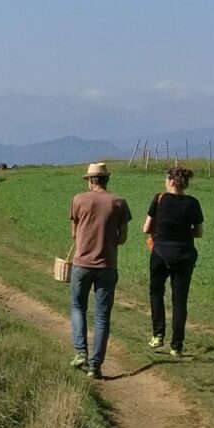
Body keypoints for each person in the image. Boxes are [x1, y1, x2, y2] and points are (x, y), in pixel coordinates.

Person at [66, 161, 131, 379]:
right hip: (107, 265)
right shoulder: (119, 203)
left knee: (78, 307)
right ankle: (96, 366)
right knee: (102, 317)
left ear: (90, 181)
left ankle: (81, 352)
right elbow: (122, 238)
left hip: (82, 264)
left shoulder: (78, 200)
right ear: (106, 180)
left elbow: (74, 234)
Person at [142, 164, 204, 355]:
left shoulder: (159, 199)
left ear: (170, 181)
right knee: (180, 300)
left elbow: (146, 228)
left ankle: (158, 334)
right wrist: (183, 231)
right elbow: (199, 232)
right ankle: (177, 345)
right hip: (184, 255)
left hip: (160, 252)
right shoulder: (193, 203)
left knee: (156, 292)